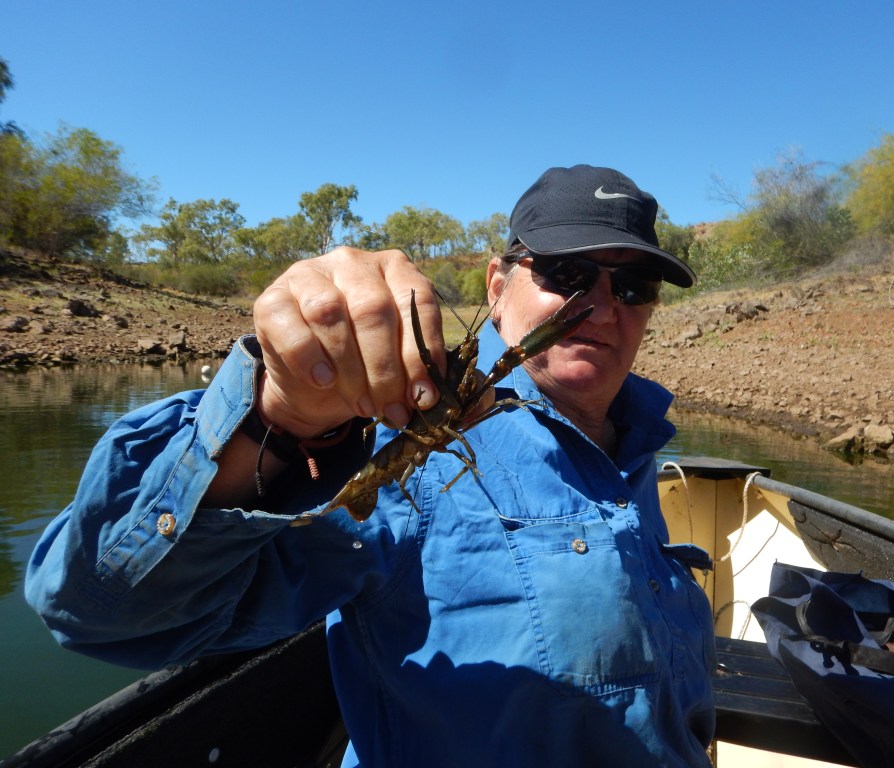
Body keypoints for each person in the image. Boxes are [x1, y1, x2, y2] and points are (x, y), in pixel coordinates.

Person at [25, 164, 716, 767]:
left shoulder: (636, 442)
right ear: (497, 286)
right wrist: (282, 416)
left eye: (634, 286)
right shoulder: (385, 430)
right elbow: (99, 612)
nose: (599, 305)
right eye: (567, 274)